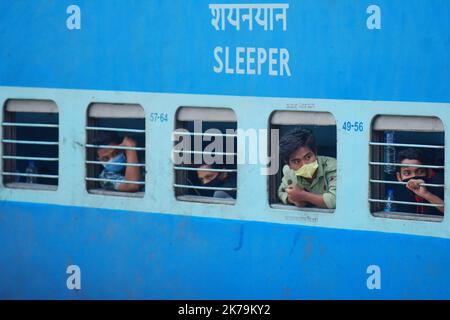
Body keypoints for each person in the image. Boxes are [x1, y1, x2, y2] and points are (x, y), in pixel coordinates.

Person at [277, 128, 336, 209]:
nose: (304, 164)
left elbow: (335, 200)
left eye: (308, 157)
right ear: (289, 164)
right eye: (296, 161)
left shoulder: (332, 167)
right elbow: (281, 192)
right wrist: (293, 199)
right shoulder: (289, 172)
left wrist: (303, 195)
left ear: (315, 152)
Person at [395, 148, 444, 215]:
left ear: (429, 172)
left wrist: (426, 194)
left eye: (420, 172)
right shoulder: (394, 196)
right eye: (407, 173)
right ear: (399, 177)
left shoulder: (441, 189)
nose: (414, 177)